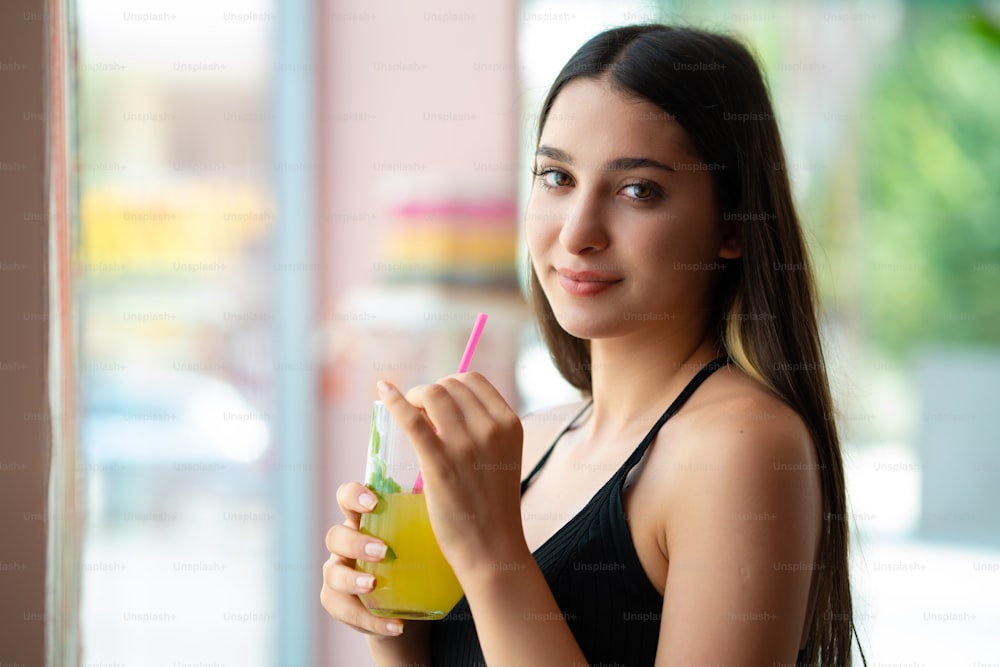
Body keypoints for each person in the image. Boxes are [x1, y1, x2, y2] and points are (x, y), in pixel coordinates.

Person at [322, 23, 864, 666]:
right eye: (556, 177)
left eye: (638, 190)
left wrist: (493, 556)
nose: (577, 232)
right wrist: (394, 622)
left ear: (734, 223)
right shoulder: (529, 443)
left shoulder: (741, 448)